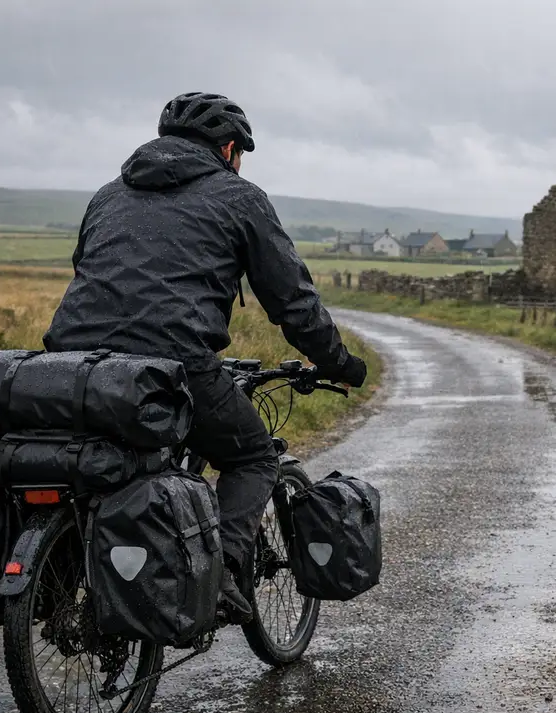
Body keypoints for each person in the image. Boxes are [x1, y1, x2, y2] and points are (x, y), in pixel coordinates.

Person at [43, 92, 367, 624]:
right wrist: (338, 363)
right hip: (171, 364)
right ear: (230, 149)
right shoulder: (240, 197)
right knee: (253, 457)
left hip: (71, 366)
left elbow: (87, 268)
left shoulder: (108, 193)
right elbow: (292, 302)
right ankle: (221, 578)